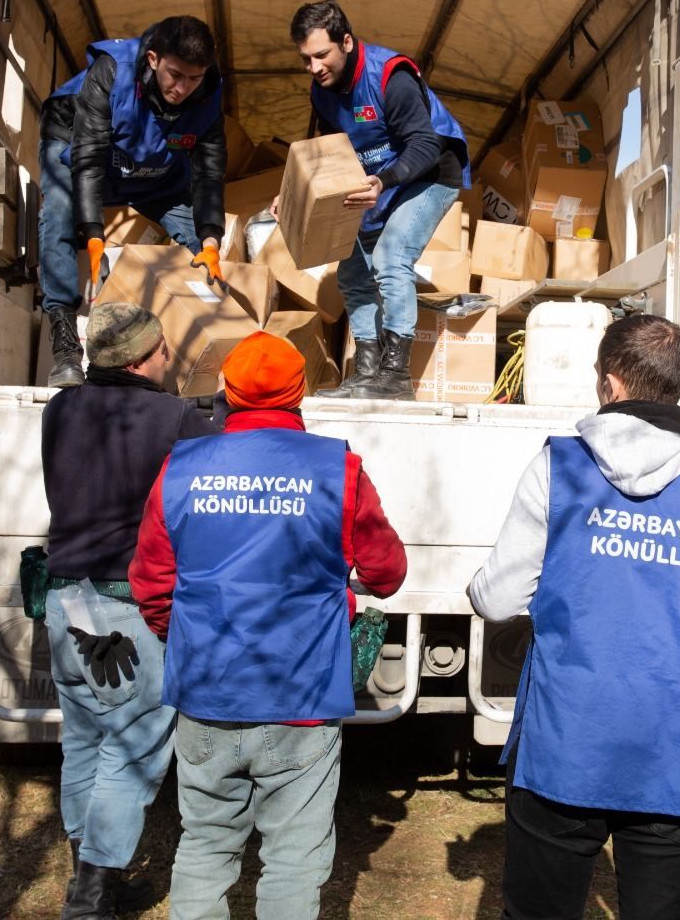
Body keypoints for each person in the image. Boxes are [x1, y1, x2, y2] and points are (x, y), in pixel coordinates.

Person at [468, 314, 680, 919]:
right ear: (677, 386)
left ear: (609, 384)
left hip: (565, 744)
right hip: (679, 755)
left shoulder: (560, 467)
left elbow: (497, 600)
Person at [128, 331, 408, 919]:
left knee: (205, 843)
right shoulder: (340, 467)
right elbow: (386, 572)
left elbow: (152, 580)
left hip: (206, 687)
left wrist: (177, 636)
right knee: (295, 856)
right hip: (302, 692)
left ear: (225, 391)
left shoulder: (181, 467)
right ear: (301, 392)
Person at [40, 302, 217, 919]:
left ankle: (94, 881)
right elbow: (200, 513)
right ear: (145, 356)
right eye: (164, 347)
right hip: (127, 610)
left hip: (66, 602)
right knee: (135, 746)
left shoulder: (60, 408)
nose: (170, 357)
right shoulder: (176, 418)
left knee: (84, 740)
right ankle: (89, 898)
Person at [283, 0, 469, 400]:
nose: (314, 68)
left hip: (429, 174)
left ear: (346, 41)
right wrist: (293, 196)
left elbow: (424, 144)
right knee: (350, 271)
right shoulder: (323, 90)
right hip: (376, 180)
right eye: (306, 59)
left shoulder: (389, 76)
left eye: (321, 55)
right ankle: (366, 370)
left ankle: (395, 376)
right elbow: (329, 152)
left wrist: (383, 182)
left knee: (390, 258)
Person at [39, 15, 229, 388]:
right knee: (59, 210)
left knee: (205, 250)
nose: (183, 88)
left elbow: (209, 171)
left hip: (148, 167)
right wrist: (94, 235)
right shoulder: (113, 72)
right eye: (176, 74)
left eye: (194, 78)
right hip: (77, 144)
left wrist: (210, 239)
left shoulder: (207, 92)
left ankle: (217, 348)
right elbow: (89, 159)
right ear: (154, 59)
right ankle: (64, 348)